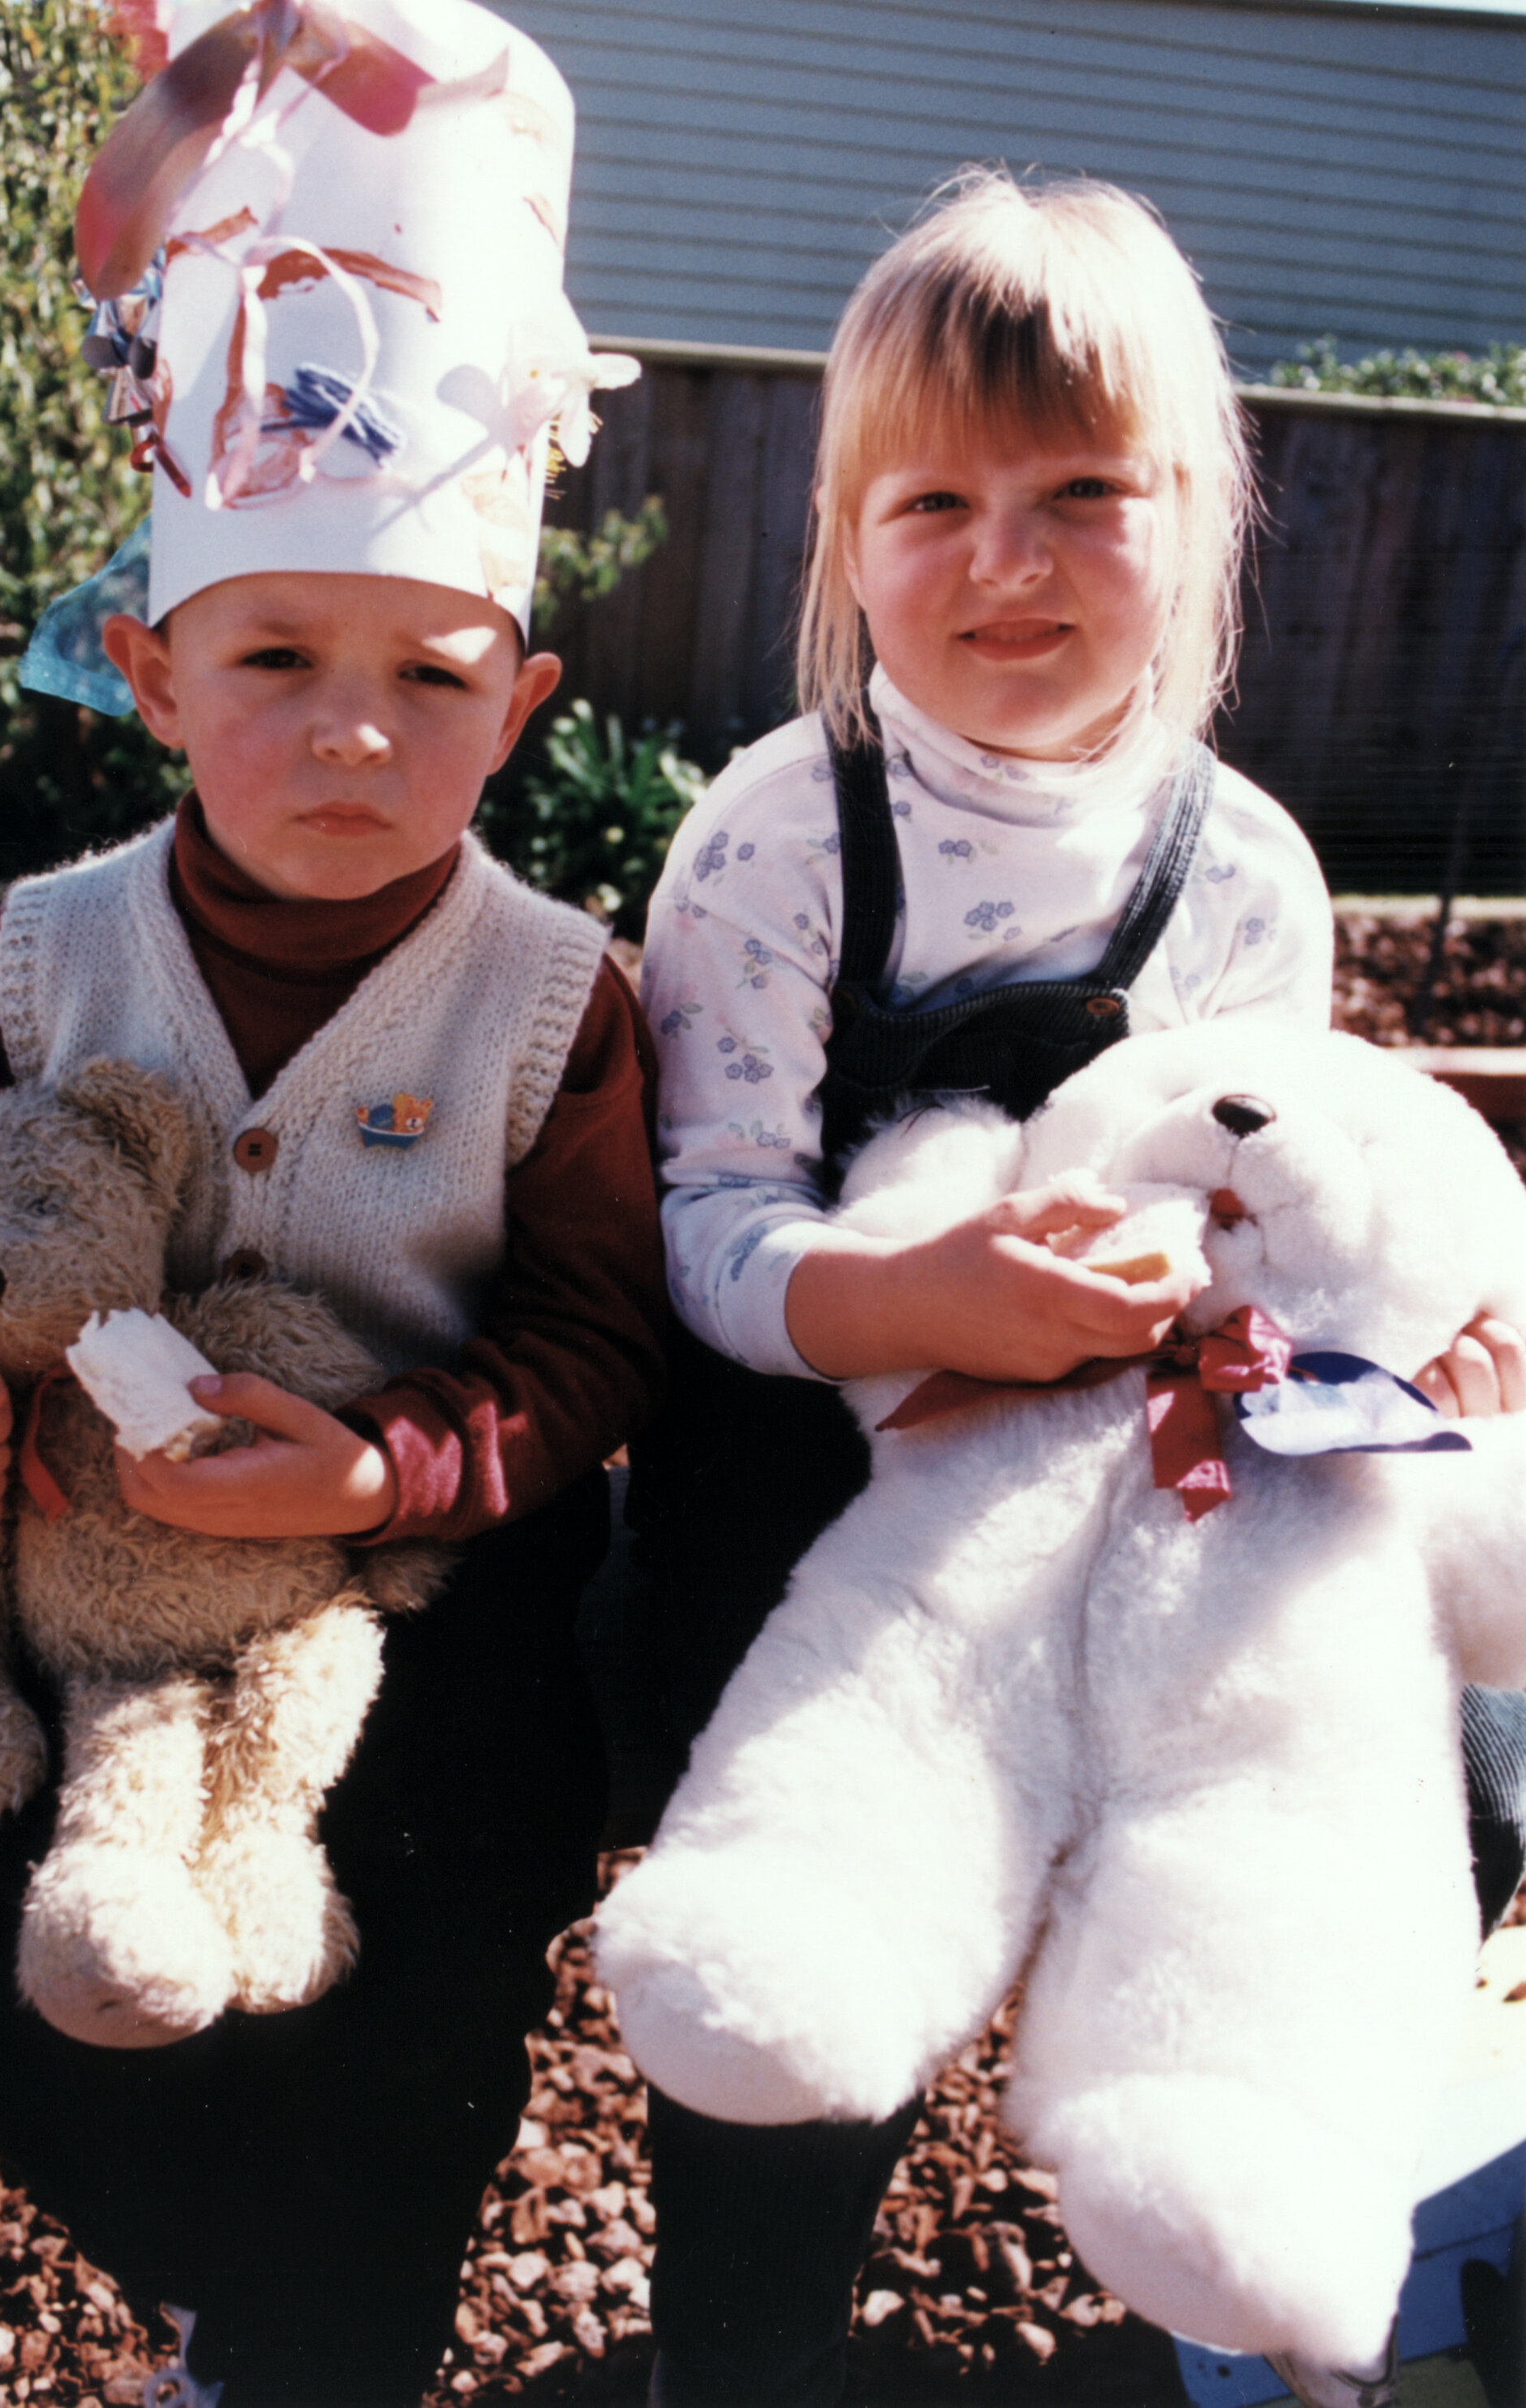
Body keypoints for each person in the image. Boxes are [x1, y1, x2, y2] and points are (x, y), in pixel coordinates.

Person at [630, 169, 1526, 2408]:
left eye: (1081, 493)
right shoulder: (777, 833)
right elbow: (714, 1218)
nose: (1003, 557)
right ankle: (741, 2350)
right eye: (931, 499)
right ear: (845, 542)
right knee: (801, 1933)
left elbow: (1283, 1228)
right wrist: (918, 1297)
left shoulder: (1240, 872)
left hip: (1139, 1485)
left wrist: (1389, 1352)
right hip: (820, 1485)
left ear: (1197, 527)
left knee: (1434, 1774)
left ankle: (1226, 2244)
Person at [0, 5, 660, 2404]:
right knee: (11, 1950)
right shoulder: (33, 959)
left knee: (406, 1989)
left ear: (522, 701)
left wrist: (379, 1468)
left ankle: (322, 2337)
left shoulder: (559, 1005)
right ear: (149, 670)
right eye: (275, 658)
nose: (356, 731)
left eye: (431, 679)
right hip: (55, 1579)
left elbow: (594, 1333)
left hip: (411, 1611)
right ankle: (201, 2257)